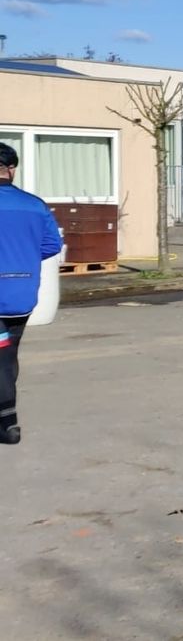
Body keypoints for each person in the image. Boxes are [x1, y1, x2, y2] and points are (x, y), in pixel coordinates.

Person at [0, 142, 64, 445]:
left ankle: (8, 424)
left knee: (1, 359)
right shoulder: (35, 205)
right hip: (22, 296)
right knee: (7, 355)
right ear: (11, 169)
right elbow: (51, 245)